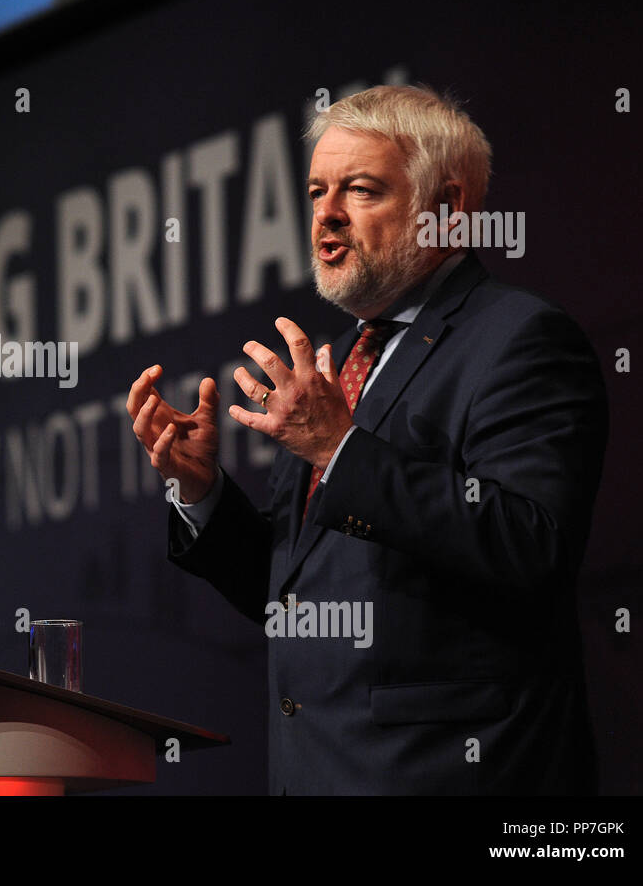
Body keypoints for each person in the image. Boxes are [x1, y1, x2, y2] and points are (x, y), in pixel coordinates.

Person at [126, 85, 607, 794]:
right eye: (318, 189)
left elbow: (529, 543)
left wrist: (338, 450)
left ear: (445, 206)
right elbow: (296, 587)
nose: (326, 212)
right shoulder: (348, 356)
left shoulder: (521, 340)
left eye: (359, 188)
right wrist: (201, 493)